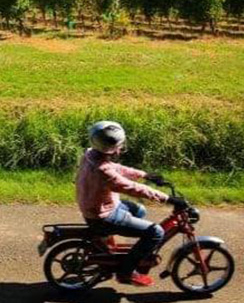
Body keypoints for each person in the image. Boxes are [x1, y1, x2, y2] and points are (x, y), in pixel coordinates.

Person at [76, 121, 182, 287]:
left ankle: (114, 245)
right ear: (113, 147)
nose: (121, 148)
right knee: (156, 233)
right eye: (119, 145)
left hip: (98, 205)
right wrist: (168, 199)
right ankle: (126, 271)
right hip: (103, 215)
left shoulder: (89, 154)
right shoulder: (104, 172)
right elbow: (133, 188)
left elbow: (116, 168)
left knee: (139, 210)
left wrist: (145, 175)